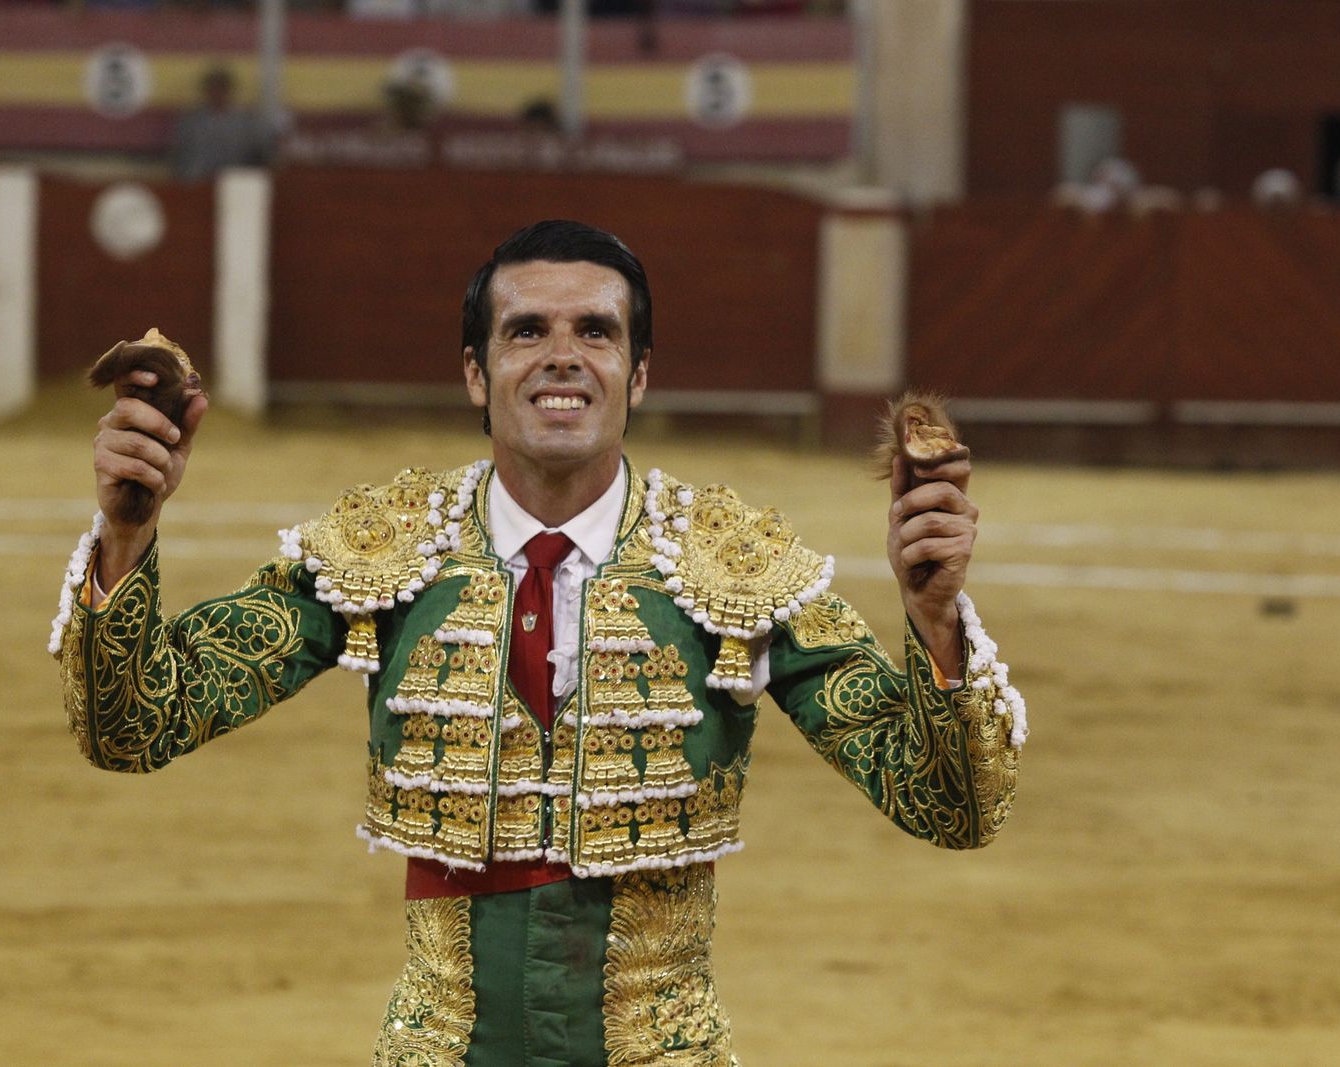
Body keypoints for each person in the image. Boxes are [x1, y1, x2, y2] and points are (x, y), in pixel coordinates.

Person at [51, 220, 1026, 1064]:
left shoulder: (736, 567)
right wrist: (128, 536)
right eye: (527, 331)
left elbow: (949, 807)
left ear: (636, 374)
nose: (562, 355)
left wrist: (934, 622)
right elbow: (134, 725)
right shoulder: (380, 551)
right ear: (477, 371)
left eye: (594, 331)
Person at [168, 66, 275, 183]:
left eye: (221, 88)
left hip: (236, 186)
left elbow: (261, 156)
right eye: (213, 88)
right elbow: (178, 158)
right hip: (197, 185)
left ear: (229, 90)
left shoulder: (247, 122)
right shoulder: (190, 122)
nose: (217, 93)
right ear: (206, 91)